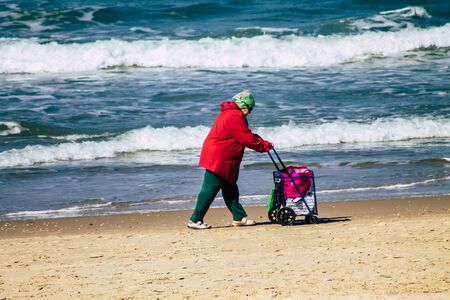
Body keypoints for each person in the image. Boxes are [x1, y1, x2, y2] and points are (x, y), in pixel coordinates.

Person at [187, 91, 273, 229]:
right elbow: (247, 138)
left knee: (230, 186)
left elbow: (244, 134)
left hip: (224, 156)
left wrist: (260, 141)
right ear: (243, 106)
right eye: (250, 108)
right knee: (209, 189)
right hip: (219, 157)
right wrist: (264, 146)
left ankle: (239, 217)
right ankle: (195, 219)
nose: (250, 112)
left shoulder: (231, 113)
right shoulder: (234, 116)